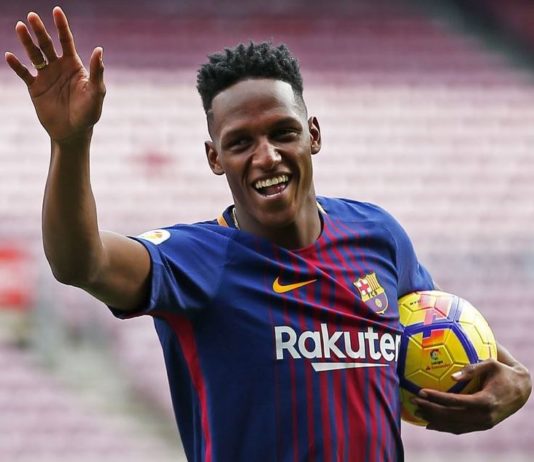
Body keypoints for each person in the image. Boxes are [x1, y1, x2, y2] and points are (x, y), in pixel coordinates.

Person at [5, 7, 531, 462]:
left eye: (283, 132)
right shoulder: (196, 262)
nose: (267, 156)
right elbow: (80, 263)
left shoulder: (379, 236)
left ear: (313, 135)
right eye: (240, 142)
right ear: (215, 157)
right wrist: (70, 143)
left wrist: (519, 384)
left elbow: (444, 333)